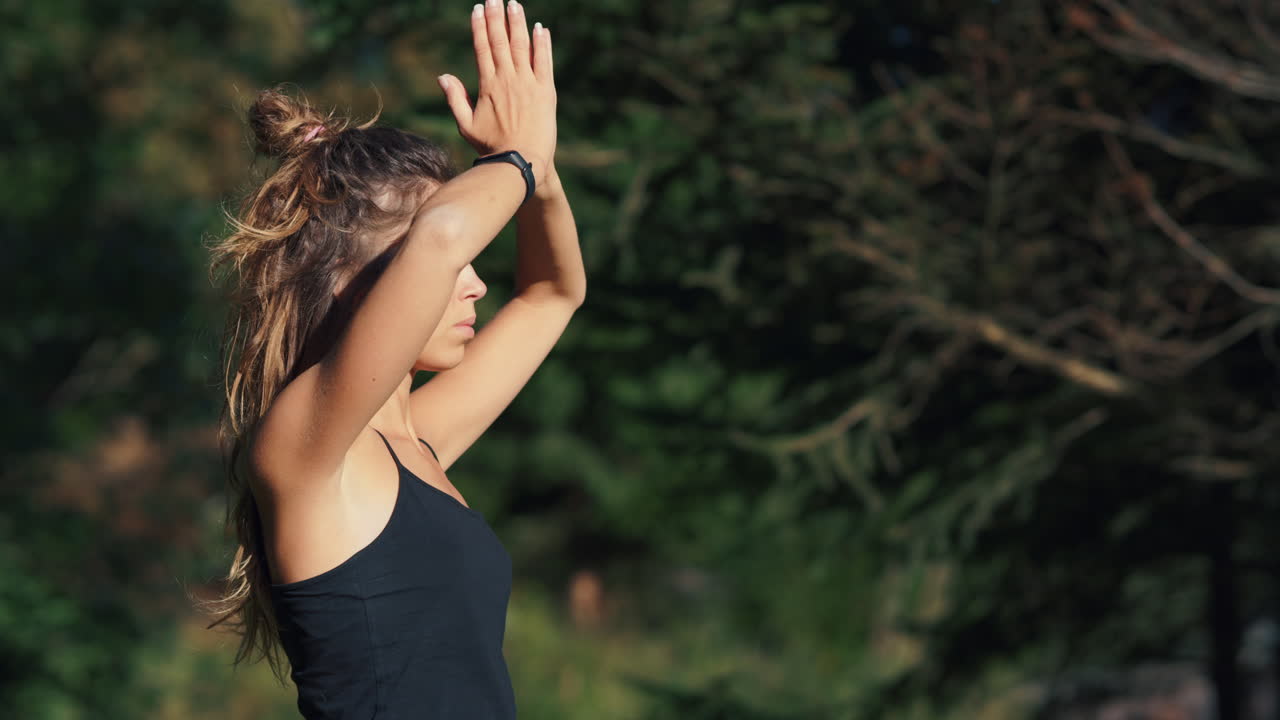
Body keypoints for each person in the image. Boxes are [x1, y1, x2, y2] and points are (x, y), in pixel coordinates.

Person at [199, 1, 581, 716]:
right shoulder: (304, 451)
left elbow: (553, 294)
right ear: (353, 284)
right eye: (453, 265)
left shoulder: (419, 441)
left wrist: (544, 170)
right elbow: (441, 236)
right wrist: (515, 160)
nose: (474, 282)